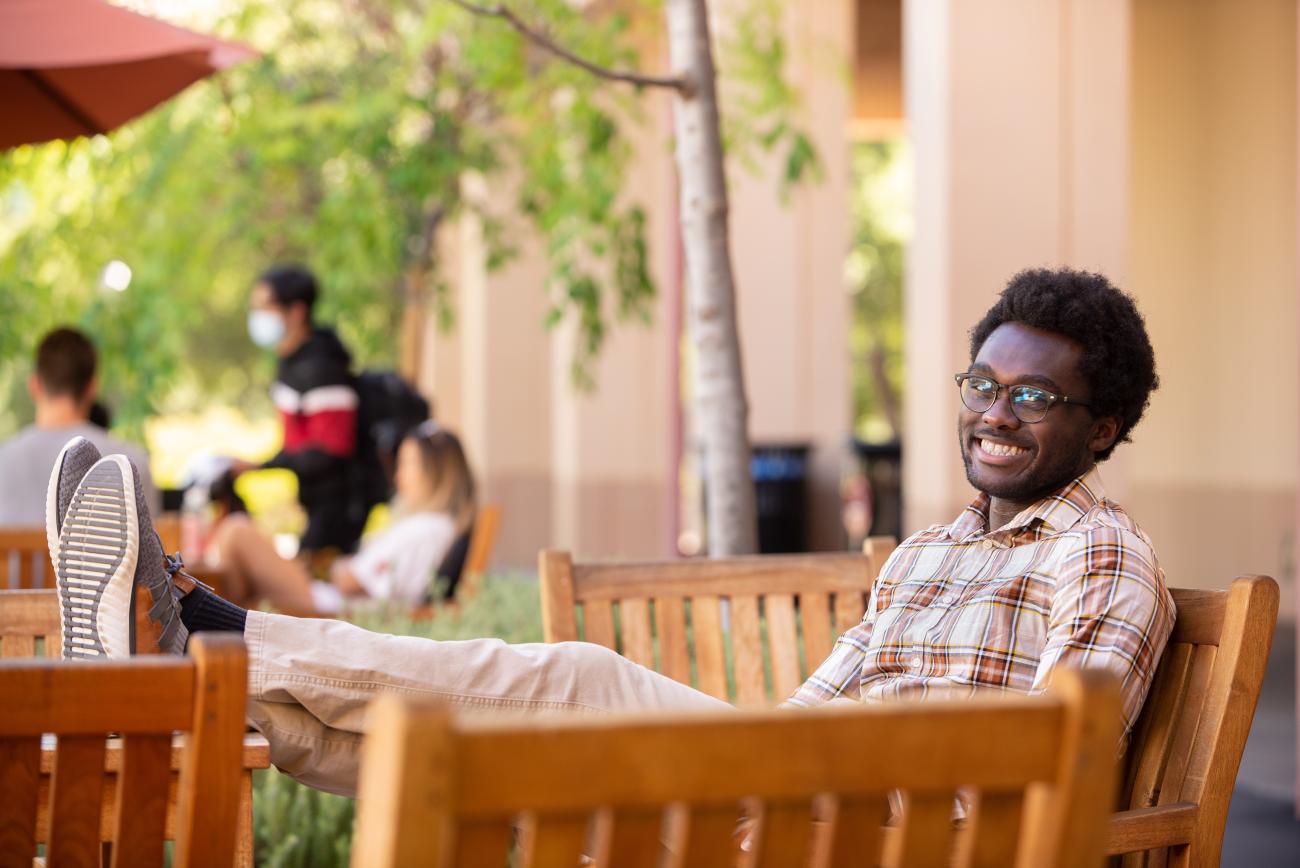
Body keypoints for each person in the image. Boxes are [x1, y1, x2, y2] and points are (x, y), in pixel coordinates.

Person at [48, 267, 1174, 799]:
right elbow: (818, 704)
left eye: (1033, 399)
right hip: (791, 789)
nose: (993, 412)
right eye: (984, 382)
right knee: (475, 745)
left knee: (574, 678)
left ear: (1103, 425)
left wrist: (796, 768)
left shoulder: (1102, 555)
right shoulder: (928, 551)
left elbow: (1056, 759)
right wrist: (764, 754)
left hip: (889, 820)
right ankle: (204, 668)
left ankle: (203, 633)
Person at [209, 424, 475, 616]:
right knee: (238, 584)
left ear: (435, 472)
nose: (398, 475)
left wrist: (335, 568)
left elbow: (351, 581)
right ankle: (214, 639)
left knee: (237, 531)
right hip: (330, 602)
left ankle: (205, 643)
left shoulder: (427, 528)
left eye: (408, 464)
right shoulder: (431, 525)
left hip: (333, 610)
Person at [239, 264, 365, 556]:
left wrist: (263, 466)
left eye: (265, 307)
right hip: (312, 503)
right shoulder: (290, 363)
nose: (257, 316)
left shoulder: (322, 367)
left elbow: (329, 450)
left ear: (295, 312)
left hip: (336, 511)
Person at [0, 327, 158, 527]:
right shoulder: (131, 464)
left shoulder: (3, 459)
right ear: (92, 388)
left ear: (35, 385)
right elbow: (152, 553)